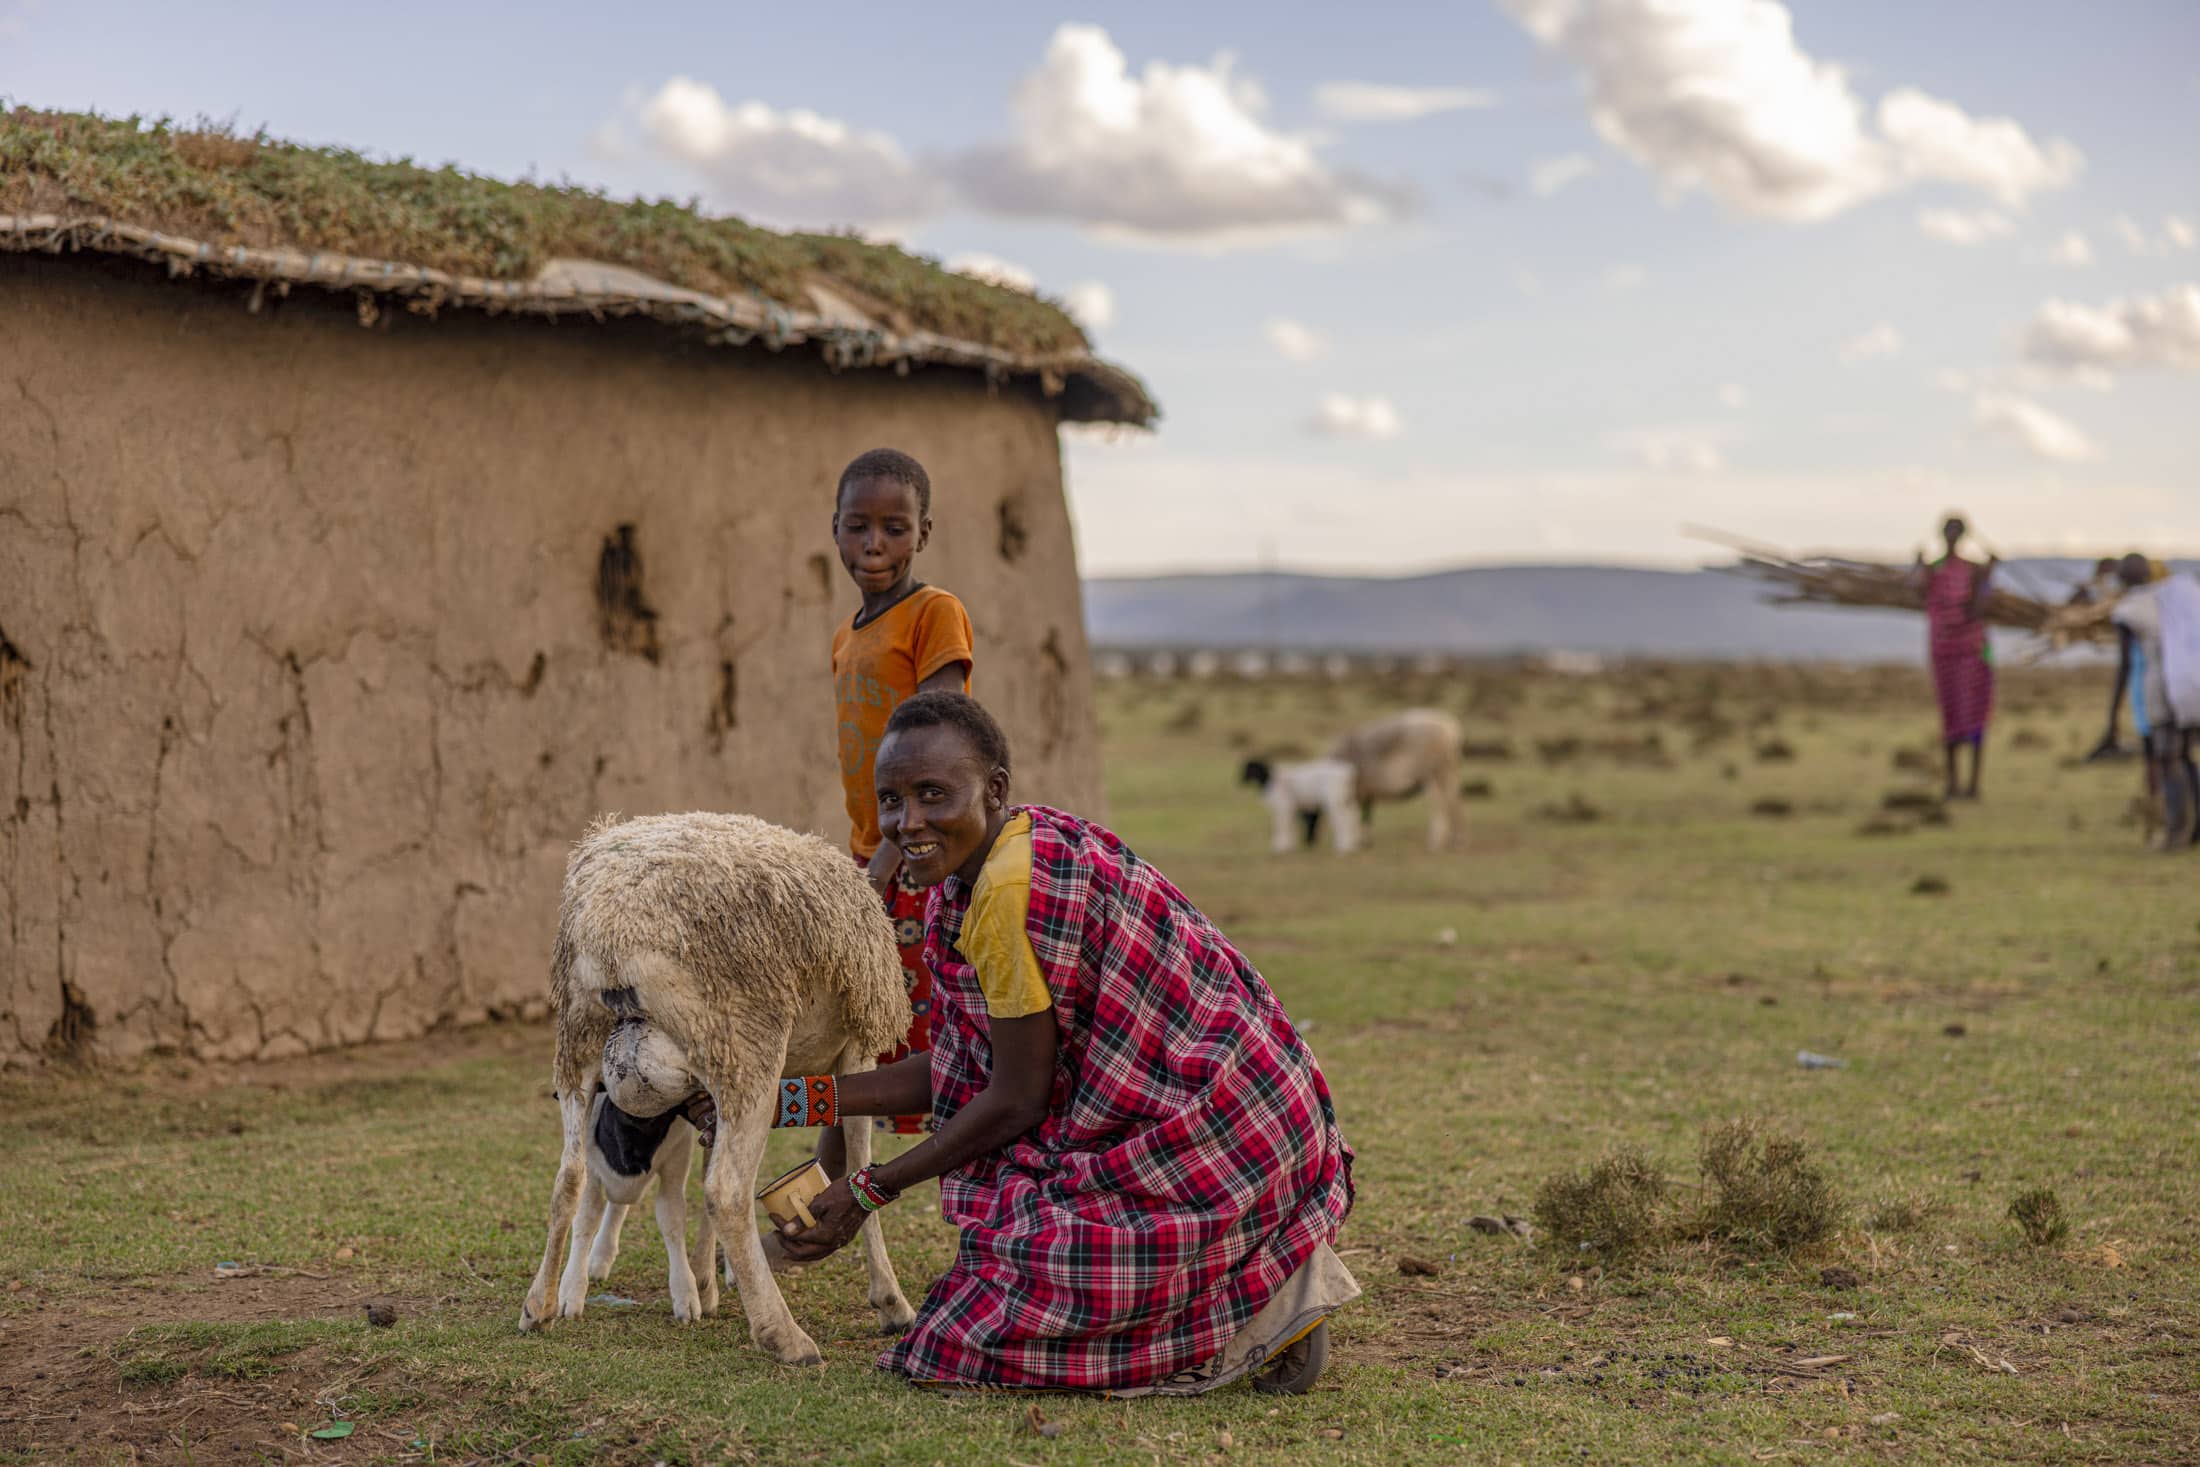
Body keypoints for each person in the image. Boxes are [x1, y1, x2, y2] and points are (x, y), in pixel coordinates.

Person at [760, 692, 1357, 1394]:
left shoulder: (1009, 894)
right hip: (1259, 1111)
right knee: (990, 1268)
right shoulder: (1002, 856)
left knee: (962, 1339)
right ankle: (1260, 1275)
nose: (907, 821)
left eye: (932, 794)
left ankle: (1251, 1317)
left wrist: (868, 1187)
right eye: (891, 799)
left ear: (995, 790)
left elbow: (1015, 1099)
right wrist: (784, 1098)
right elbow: (963, 1066)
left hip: (1215, 1136)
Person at [825, 448, 974, 1158]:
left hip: (924, 851)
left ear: (924, 533)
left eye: (894, 526)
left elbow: (940, 739)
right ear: (836, 530)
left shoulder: (933, 613)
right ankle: (825, 1183)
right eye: (859, 526)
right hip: (874, 849)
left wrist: (892, 855)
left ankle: (974, 1183)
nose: (874, 543)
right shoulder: (849, 635)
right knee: (860, 1023)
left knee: (934, 1029)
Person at [2111, 554, 2200, 851]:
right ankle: (2193, 829)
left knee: (2167, 757)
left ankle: (2176, 832)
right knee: (2186, 756)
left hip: (2162, 690)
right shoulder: (2174, 597)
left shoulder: (2129, 610)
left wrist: (2113, 711)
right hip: (2190, 685)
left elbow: (2125, 663)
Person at [1912, 515, 1999, 799]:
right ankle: (1952, 784)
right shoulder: (1932, 569)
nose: (1951, 536)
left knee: (1975, 716)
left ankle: (1973, 784)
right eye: (1947, 531)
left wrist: (1988, 575)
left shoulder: (1973, 570)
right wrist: (1917, 565)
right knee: (1950, 715)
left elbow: (1978, 608)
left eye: (1956, 531)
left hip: (1973, 651)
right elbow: (1916, 592)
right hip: (1944, 652)